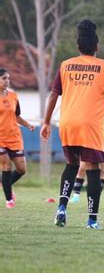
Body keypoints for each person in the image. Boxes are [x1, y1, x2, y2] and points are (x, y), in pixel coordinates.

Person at [40, 20, 104, 229]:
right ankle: (92, 220)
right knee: (93, 169)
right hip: (89, 125)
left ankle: (61, 208)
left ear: (78, 47)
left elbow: (53, 95)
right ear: (97, 47)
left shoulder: (65, 65)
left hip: (67, 123)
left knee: (71, 165)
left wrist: (46, 122)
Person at [70, 107, 104, 203]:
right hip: (89, 143)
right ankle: (76, 196)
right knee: (82, 168)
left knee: (101, 171)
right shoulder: (88, 110)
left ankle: (96, 196)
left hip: (103, 146)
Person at [0, 69, 35, 209]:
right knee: (6, 166)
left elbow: (17, 116)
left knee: (21, 169)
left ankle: (6, 185)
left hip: (14, 137)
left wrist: (28, 125)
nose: (7, 80)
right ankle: (9, 199)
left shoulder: (13, 96)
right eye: (4, 78)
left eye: (8, 78)